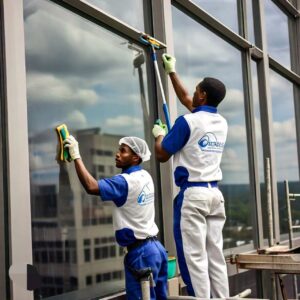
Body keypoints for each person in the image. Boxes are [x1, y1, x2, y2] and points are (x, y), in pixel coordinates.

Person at [152, 53, 229, 298]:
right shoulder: (220, 122)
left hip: (193, 197)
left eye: (197, 90)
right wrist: (171, 72)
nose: (193, 94)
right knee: (215, 256)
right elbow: (188, 100)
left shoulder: (187, 122)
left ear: (203, 95)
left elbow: (163, 155)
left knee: (194, 258)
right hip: (215, 196)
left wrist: (159, 136)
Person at [63, 135, 168, 299]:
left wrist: (76, 156)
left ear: (135, 158)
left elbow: (91, 187)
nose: (117, 154)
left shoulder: (126, 182)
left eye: (123, 151)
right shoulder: (146, 177)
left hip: (141, 254)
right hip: (157, 250)